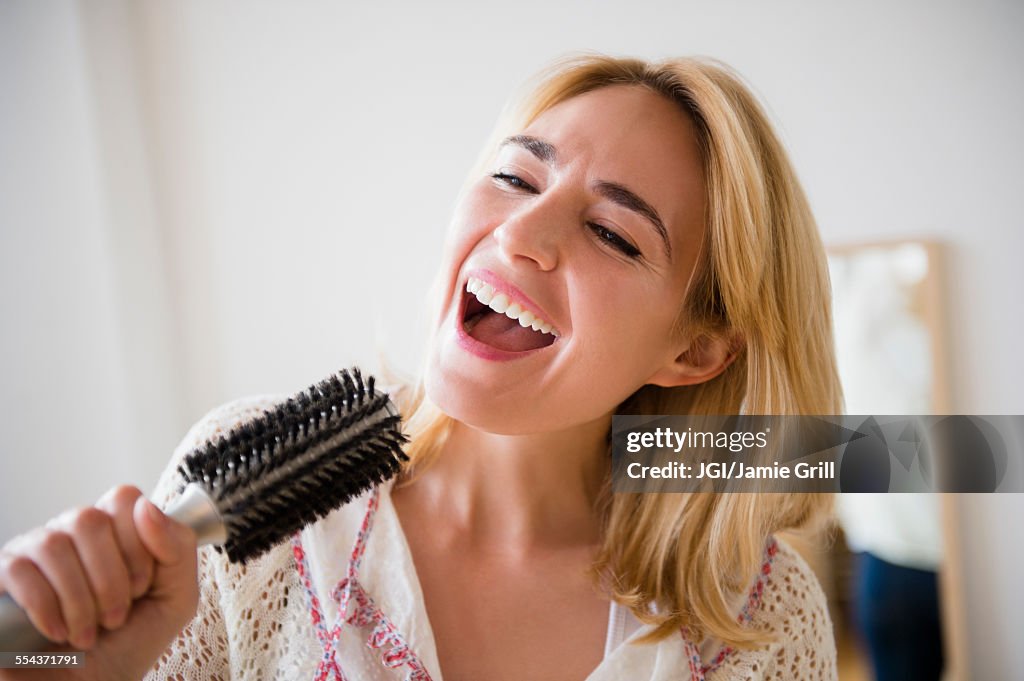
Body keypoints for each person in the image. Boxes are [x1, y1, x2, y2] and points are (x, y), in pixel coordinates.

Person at [0, 54, 843, 680]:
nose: (520, 233)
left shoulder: (760, 619)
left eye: (614, 233)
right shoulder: (247, 508)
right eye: (515, 175)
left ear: (693, 350)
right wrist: (63, 672)